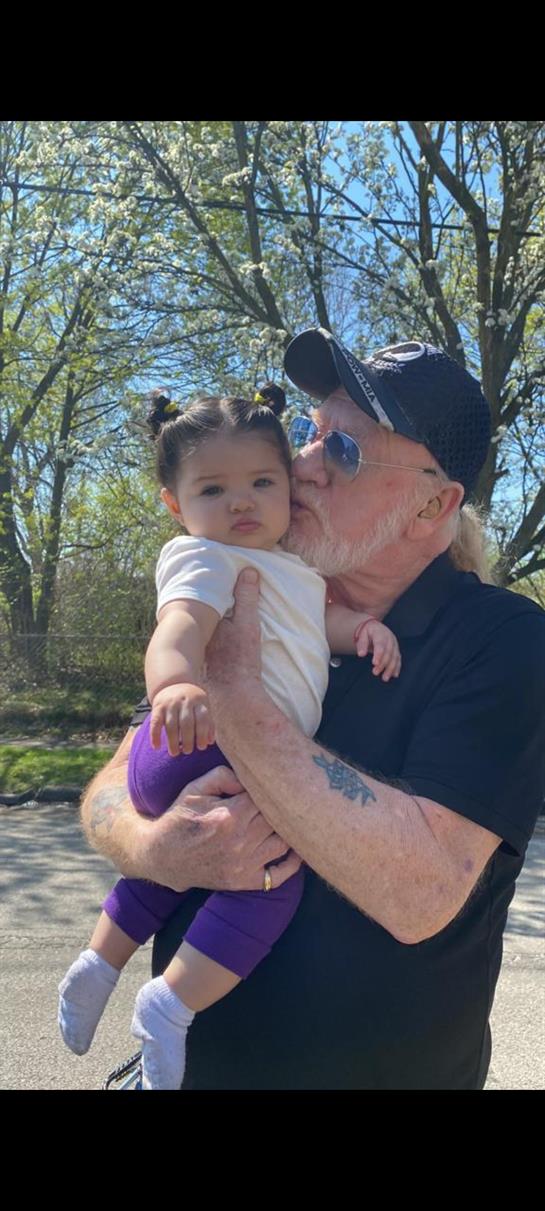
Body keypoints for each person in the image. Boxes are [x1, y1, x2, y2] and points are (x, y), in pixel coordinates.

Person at [79, 331, 545, 1090]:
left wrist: (239, 701)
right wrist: (158, 847)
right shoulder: (246, 582)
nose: (302, 465)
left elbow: (419, 891)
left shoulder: (502, 640)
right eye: (309, 431)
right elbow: (109, 790)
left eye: (346, 452)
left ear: (433, 505)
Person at [58, 382, 399, 1089]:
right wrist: (174, 686)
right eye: (213, 488)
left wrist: (361, 628)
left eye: (261, 482)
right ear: (174, 504)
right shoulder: (205, 558)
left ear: (288, 488)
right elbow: (176, 630)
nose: (241, 502)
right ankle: (171, 1005)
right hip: (202, 739)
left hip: (200, 750)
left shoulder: (291, 568)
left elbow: (314, 623)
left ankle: (97, 964)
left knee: (175, 866)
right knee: (268, 877)